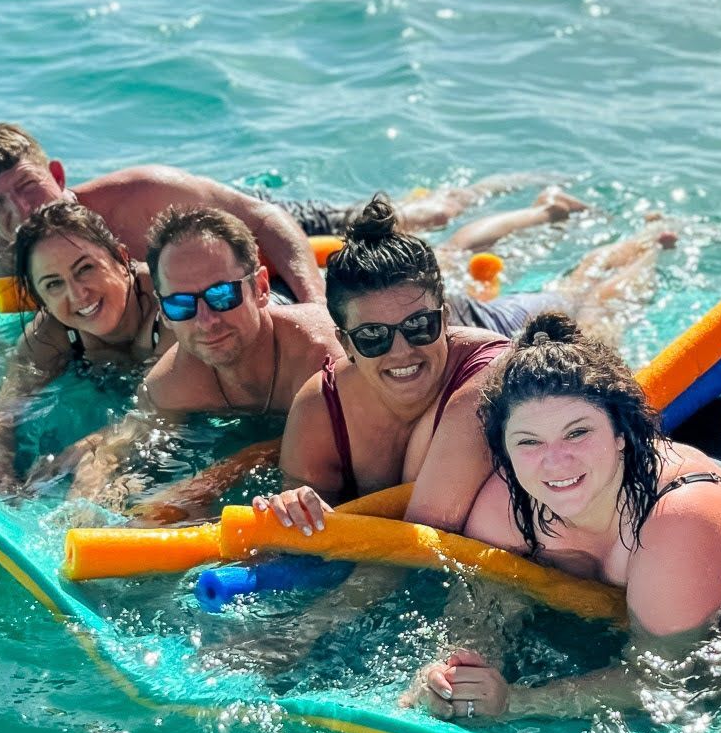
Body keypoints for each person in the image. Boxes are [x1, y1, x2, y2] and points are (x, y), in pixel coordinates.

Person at [404, 311, 721, 725]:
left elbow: (669, 672)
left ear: (621, 433)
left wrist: (518, 703)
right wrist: (452, 674)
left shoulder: (680, 517)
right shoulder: (508, 502)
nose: (555, 462)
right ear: (506, 452)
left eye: (577, 433)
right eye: (529, 442)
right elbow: (481, 615)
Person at [266, 195, 682, 536]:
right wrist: (295, 507)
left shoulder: (484, 384)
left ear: (445, 318)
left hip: (519, 329)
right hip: (457, 316)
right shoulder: (322, 405)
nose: (401, 351)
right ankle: (550, 210)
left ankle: (646, 245)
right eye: (373, 336)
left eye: (419, 327)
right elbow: (301, 527)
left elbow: (426, 534)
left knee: (591, 302)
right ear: (345, 343)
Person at [65, 206, 342, 510]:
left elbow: (329, 448)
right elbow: (131, 439)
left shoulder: (322, 356)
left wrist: (218, 477)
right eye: (181, 304)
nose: (206, 321)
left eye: (221, 295)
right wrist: (95, 470)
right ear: (164, 312)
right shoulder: (172, 382)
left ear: (260, 288)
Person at [0, 202, 171, 491]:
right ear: (39, 297)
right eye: (53, 284)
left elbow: (170, 412)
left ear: (121, 257)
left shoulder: (174, 305)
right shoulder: (50, 334)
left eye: (85, 268)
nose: (77, 294)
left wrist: (99, 446)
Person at [0, 123, 327, 310]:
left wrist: (316, 306)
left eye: (28, 186)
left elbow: (265, 219)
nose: (22, 210)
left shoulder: (145, 195)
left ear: (58, 176)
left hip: (280, 222)